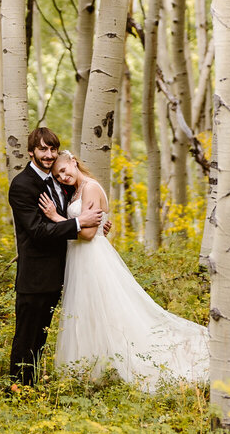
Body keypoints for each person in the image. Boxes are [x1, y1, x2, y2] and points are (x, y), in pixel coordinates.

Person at [39, 150, 209, 388]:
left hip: (91, 256)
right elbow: (92, 226)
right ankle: (94, 367)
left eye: (64, 171)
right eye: (57, 176)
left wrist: (55, 217)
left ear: (73, 162)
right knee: (90, 312)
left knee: (110, 311)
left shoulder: (90, 187)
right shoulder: (78, 190)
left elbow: (87, 234)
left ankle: (118, 363)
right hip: (82, 257)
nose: (62, 177)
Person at [7, 127, 104, 385]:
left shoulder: (58, 183)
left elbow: (68, 221)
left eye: (52, 149)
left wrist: (93, 226)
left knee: (40, 337)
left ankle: (31, 384)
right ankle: (17, 388)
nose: (49, 155)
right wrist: (79, 223)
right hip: (35, 276)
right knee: (26, 336)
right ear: (31, 152)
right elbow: (38, 231)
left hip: (58, 273)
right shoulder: (22, 185)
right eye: (42, 149)